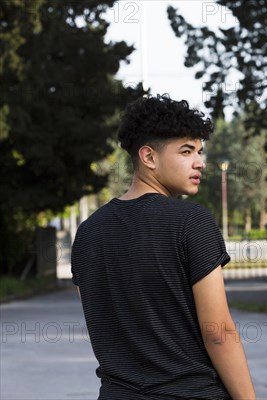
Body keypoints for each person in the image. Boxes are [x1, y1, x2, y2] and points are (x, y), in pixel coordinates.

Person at [71, 94, 255, 400]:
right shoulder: (191, 222)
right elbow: (218, 332)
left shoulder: (88, 233)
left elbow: (106, 325)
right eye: (186, 151)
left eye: (199, 151)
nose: (200, 162)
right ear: (149, 157)